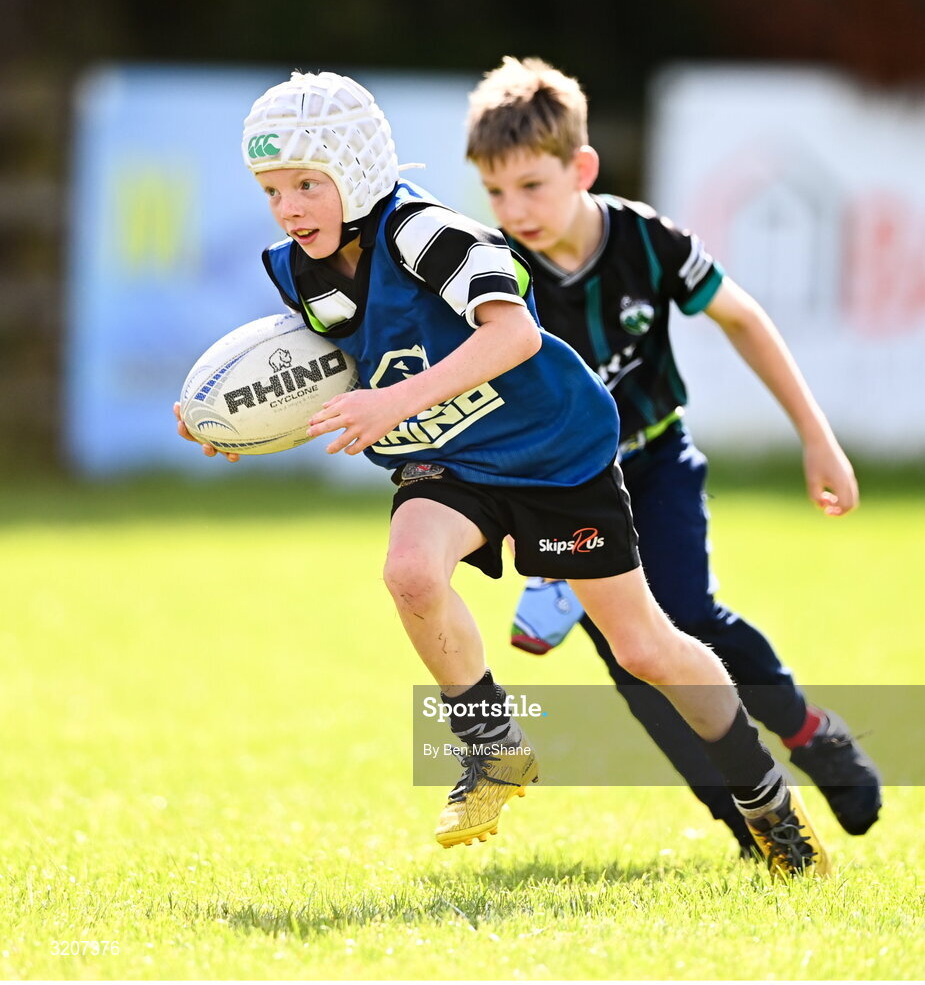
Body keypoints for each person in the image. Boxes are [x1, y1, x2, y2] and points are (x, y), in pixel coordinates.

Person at [176, 69, 831, 877]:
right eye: (272, 189)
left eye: (308, 184)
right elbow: (334, 361)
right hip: (450, 457)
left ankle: (764, 794)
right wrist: (234, 423)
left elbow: (513, 336)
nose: (289, 207)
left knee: (644, 649)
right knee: (410, 571)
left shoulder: (426, 233)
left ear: (357, 171)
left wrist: (396, 401)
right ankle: (493, 746)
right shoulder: (296, 266)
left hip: (554, 451)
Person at [464, 55, 882, 851]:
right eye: (493, 191)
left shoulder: (646, 241)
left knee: (686, 616)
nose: (511, 209)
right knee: (636, 665)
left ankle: (811, 733)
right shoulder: (490, 273)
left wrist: (815, 436)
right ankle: (753, 824)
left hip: (655, 461)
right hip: (569, 492)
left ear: (580, 167)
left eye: (530, 186)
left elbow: (743, 319)